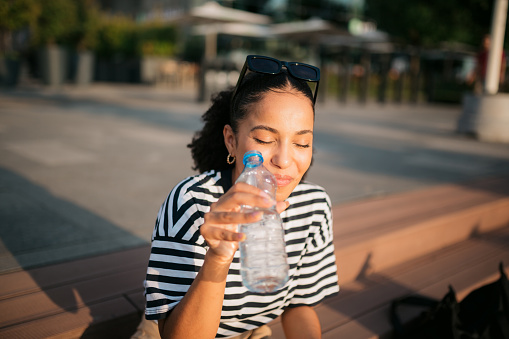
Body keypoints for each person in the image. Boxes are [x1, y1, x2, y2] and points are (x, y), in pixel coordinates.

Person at [142, 55, 339, 339]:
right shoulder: (190, 203)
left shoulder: (314, 206)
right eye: (264, 139)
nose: (284, 160)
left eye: (301, 142)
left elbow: (299, 305)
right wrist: (218, 258)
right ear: (231, 140)